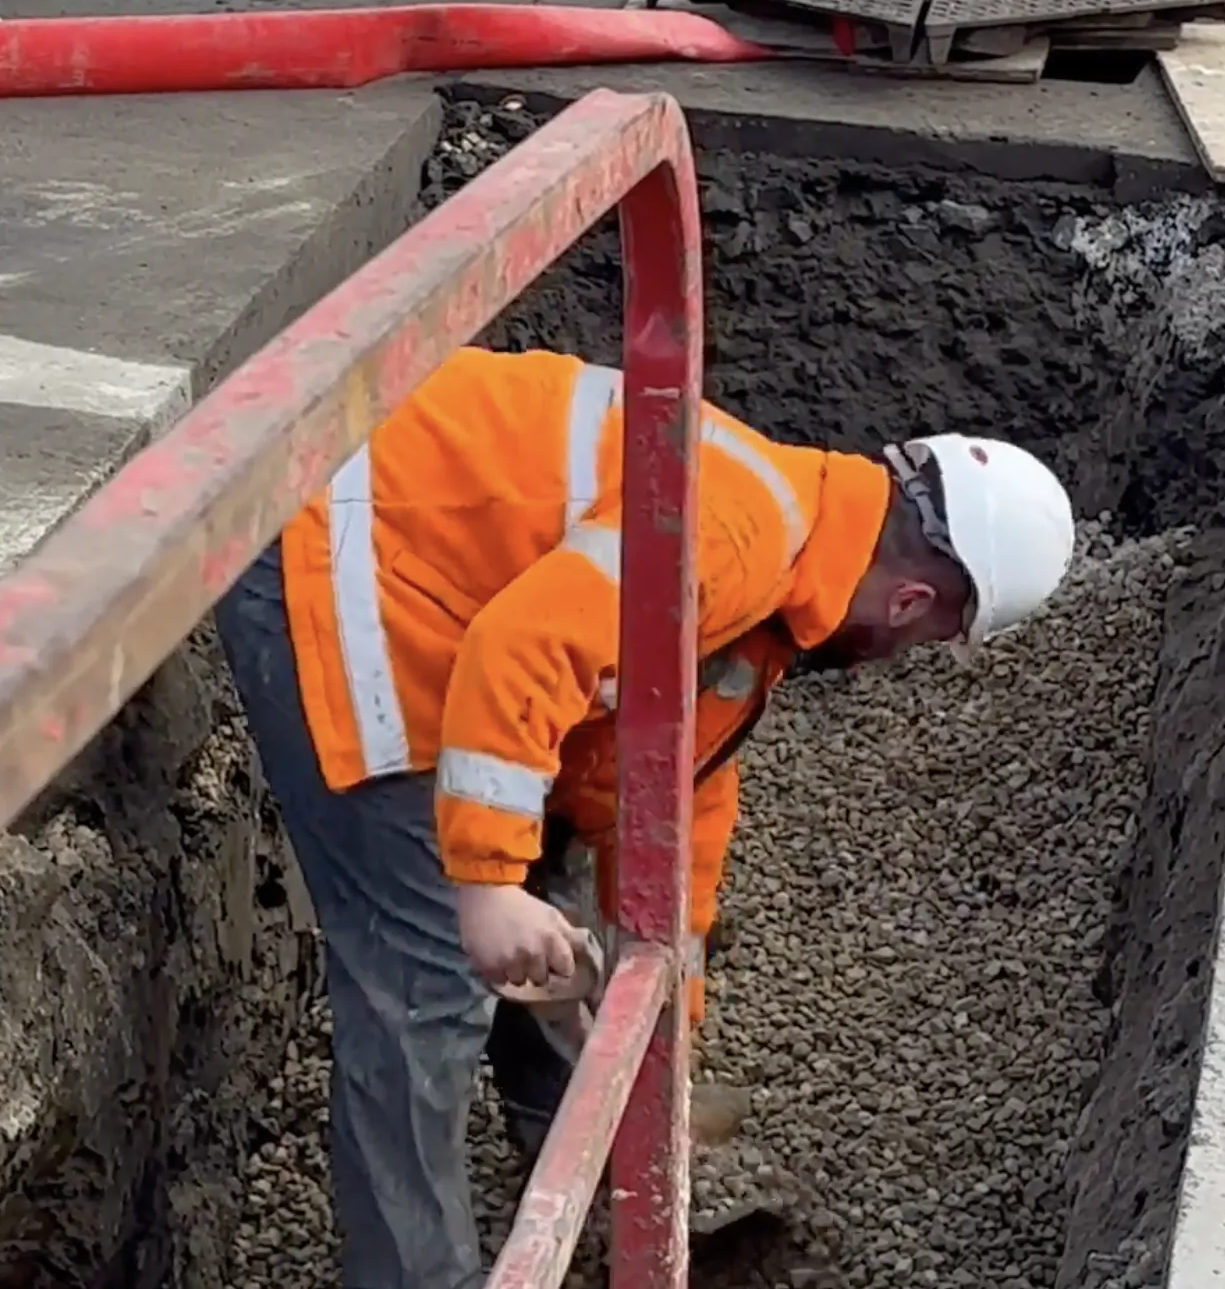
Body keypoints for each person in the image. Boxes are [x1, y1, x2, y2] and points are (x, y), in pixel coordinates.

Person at [211, 344, 1077, 1289]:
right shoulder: (737, 539)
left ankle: (591, 1158)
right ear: (914, 600)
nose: (900, 654)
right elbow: (520, 648)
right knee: (424, 968)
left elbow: (671, 796)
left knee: (542, 899)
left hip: (411, 540)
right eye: (924, 640)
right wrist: (487, 881)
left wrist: (662, 1034)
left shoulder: (782, 568)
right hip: (337, 540)